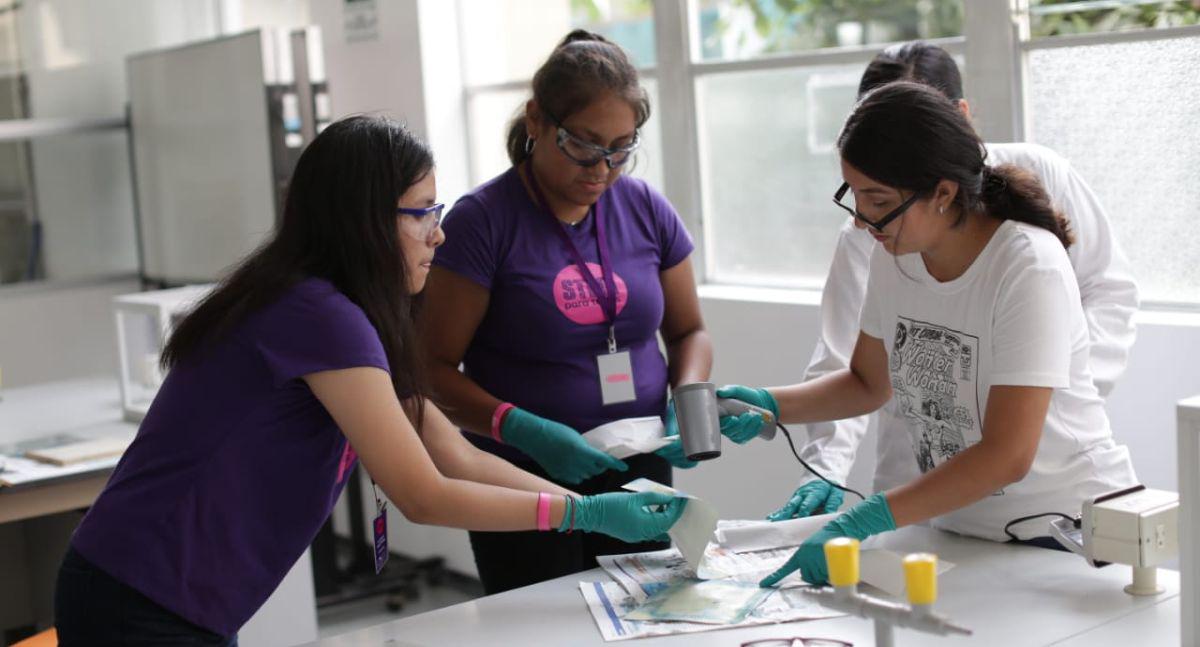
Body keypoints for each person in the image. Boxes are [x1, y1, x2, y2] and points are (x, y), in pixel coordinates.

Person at [53, 116, 685, 645]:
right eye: (421, 214)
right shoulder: (317, 315)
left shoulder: (336, 309)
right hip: (140, 594)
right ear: (363, 221)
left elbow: (453, 453)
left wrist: (584, 502)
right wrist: (582, 515)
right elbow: (424, 495)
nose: (438, 233)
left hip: (165, 592)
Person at [719, 81, 1138, 587]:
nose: (863, 219)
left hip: (1066, 535)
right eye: (853, 195)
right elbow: (867, 383)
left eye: (877, 200)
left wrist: (865, 517)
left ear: (943, 193)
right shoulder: (894, 254)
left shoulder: (1027, 266)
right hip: (962, 531)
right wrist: (768, 404)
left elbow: (1008, 455)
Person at [419, 30, 732, 594]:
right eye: (585, 145)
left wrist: (689, 400)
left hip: (638, 466)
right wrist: (521, 429)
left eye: (621, 147)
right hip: (519, 476)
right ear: (537, 121)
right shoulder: (483, 222)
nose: (603, 169)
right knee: (543, 624)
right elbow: (430, 369)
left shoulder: (644, 208)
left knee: (647, 614)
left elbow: (689, 331)